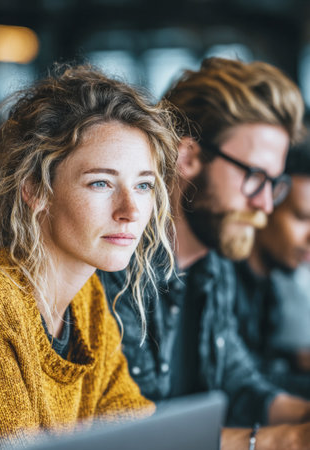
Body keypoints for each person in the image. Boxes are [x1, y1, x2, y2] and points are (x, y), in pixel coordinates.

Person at [99, 57, 310, 449]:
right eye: (254, 177)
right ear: (190, 157)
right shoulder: (115, 267)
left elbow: (237, 378)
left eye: (274, 183)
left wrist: (301, 416)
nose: (265, 205)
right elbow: (132, 434)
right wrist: (281, 441)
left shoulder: (214, 262)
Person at [0, 64, 179, 449]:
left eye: (144, 185)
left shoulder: (88, 302)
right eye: (101, 182)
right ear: (35, 190)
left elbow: (138, 433)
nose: (131, 210)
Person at [234, 141, 310, 399]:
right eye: (302, 218)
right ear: (267, 204)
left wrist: (292, 358)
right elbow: (236, 390)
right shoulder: (220, 283)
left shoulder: (269, 289)